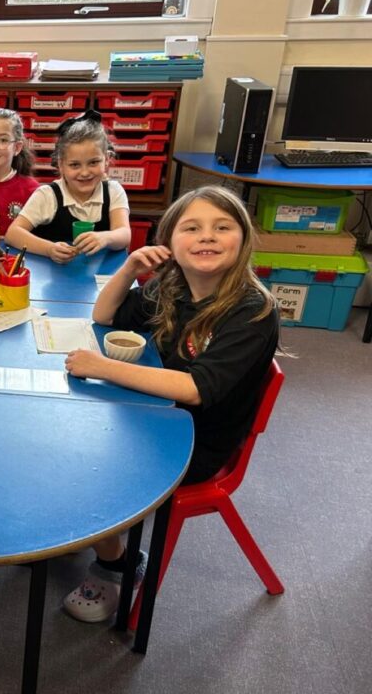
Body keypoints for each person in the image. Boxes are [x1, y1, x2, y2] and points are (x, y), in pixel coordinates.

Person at [62, 186, 280, 623]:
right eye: (191, 228)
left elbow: (196, 388)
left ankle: (116, 563)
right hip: (155, 414)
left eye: (222, 227)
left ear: (243, 239)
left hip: (196, 443)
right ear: (170, 243)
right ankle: (92, 530)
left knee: (80, 464)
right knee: (63, 435)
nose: (207, 237)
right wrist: (129, 268)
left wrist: (103, 367)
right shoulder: (174, 285)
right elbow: (104, 316)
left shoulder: (253, 310)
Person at [5, 110, 131, 263]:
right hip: (54, 273)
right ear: (61, 165)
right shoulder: (47, 195)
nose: (85, 172)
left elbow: (125, 234)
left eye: (93, 162)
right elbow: (13, 234)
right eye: (75, 165)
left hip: (101, 273)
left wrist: (106, 238)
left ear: (107, 159)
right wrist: (49, 249)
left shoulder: (113, 191)